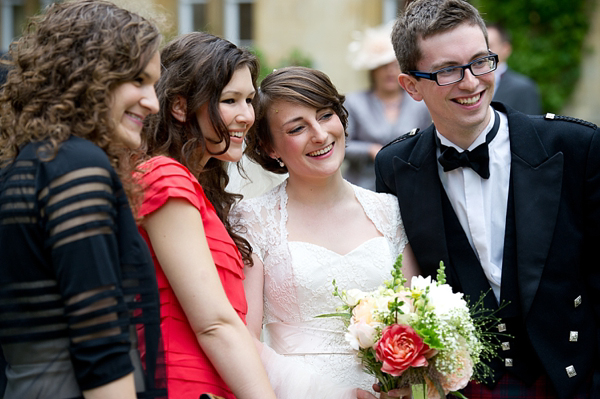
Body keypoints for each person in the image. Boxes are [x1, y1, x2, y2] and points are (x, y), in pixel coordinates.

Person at [375, 0, 598, 397]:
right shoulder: (395, 166)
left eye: (481, 61)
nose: (472, 82)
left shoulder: (576, 147)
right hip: (466, 385)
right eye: (448, 70)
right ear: (411, 85)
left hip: (571, 375)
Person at [0, 1, 166, 398]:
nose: (153, 102)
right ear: (87, 75)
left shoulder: (31, 164)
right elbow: (99, 341)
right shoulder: (77, 164)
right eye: (137, 81)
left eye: (154, 85)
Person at [231, 66, 419, 399]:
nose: (319, 135)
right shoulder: (252, 220)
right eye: (297, 128)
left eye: (325, 115)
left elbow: (418, 322)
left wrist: (411, 390)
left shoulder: (390, 212)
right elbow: (242, 342)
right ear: (270, 147)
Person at [137, 32, 276, 399]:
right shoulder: (164, 177)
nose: (246, 115)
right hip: (182, 383)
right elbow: (213, 323)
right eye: (230, 100)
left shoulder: (197, 186)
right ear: (181, 107)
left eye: (249, 99)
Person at [344, 22, 431, 190]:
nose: (390, 71)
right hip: (363, 187)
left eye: (395, 65)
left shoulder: (419, 103)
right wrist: (370, 150)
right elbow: (342, 146)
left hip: (408, 187)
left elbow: (426, 145)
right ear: (372, 71)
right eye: (383, 66)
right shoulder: (354, 102)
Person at [487, 23, 542, 115]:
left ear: (506, 49)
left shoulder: (524, 88)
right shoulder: (468, 83)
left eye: (489, 46)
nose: (483, 52)